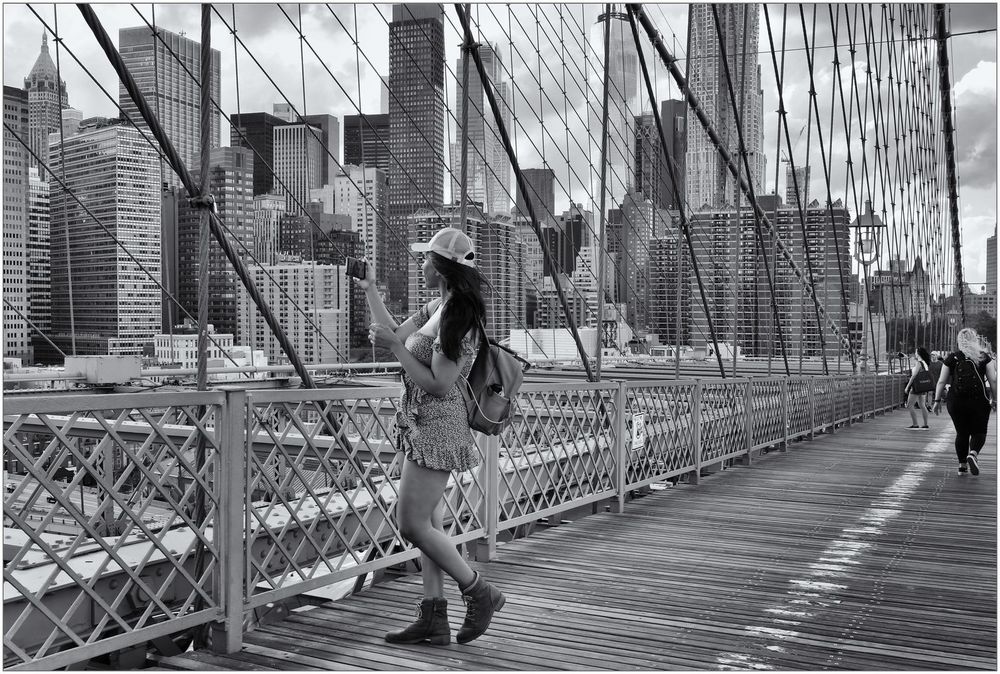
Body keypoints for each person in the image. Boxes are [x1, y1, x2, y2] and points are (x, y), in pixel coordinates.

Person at [355, 227, 505, 645]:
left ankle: (479, 590)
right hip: (421, 422)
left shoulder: (460, 317)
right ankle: (433, 617)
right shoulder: (438, 306)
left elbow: (439, 382)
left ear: (439, 267)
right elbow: (396, 337)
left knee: (412, 524)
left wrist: (396, 348)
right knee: (431, 521)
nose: (420, 264)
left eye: (425, 258)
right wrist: (370, 289)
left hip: (439, 424)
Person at [932, 328, 998, 476]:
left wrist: (936, 401)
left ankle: (962, 466)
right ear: (975, 339)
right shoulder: (983, 357)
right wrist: (995, 399)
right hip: (979, 401)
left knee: (961, 433)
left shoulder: (953, 357)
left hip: (956, 401)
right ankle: (973, 454)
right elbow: (993, 380)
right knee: (979, 431)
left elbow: (942, 381)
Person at [903, 347, 933, 430]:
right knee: (922, 405)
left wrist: (907, 386)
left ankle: (915, 424)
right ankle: (925, 424)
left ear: (918, 353)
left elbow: (914, 376)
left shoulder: (919, 363)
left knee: (910, 405)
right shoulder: (925, 363)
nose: (915, 353)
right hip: (924, 386)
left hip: (917, 387)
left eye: (916, 352)